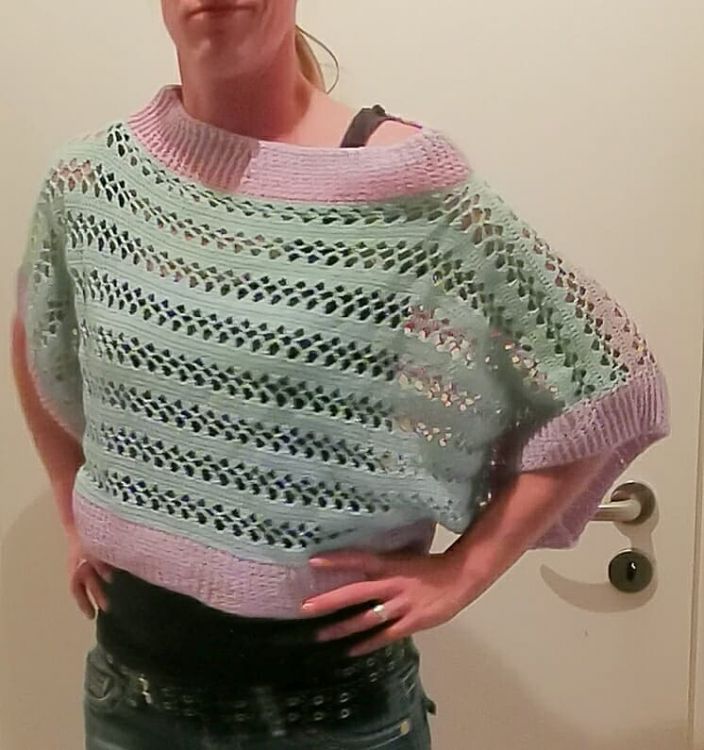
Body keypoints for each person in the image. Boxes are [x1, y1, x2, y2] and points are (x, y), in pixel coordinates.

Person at [12, 2, 670, 748]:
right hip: (132, 700)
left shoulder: (402, 187)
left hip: (337, 717)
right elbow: (38, 323)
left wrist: (468, 570)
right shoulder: (92, 182)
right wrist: (71, 507)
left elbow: (608, 384)